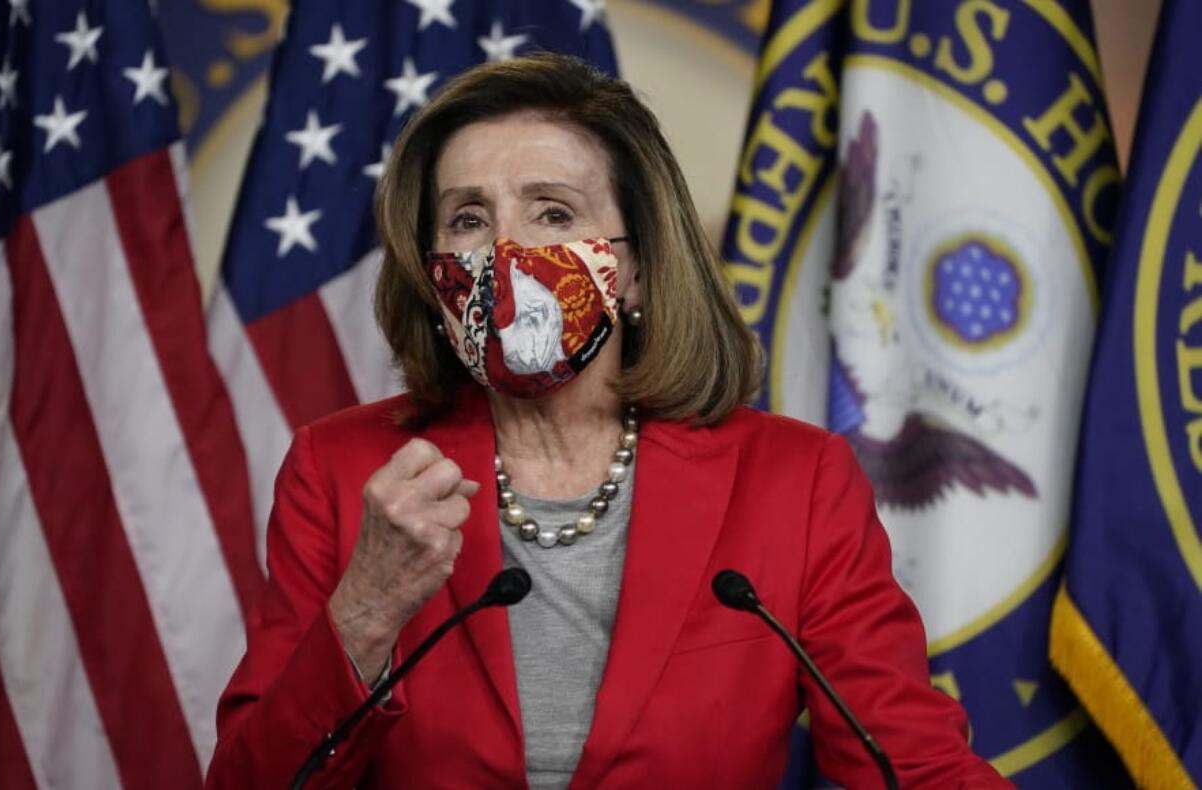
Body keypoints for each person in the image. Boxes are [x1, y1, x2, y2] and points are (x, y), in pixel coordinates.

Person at [206, 53, 1010, 789]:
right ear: (432, 270)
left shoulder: (794, 481)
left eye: (553, 213)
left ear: (635, 269)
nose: (508, 250)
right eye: (468, 220)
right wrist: (367, 610)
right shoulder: (342, 471)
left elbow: (912, 764)